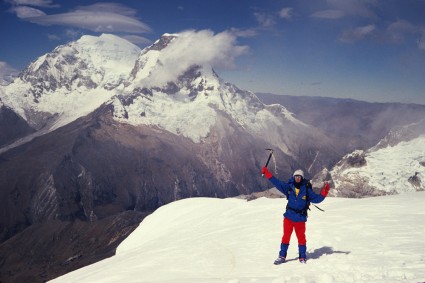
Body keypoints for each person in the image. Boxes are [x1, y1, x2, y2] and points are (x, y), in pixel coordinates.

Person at [261, 167, 330, 264]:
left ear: (302, 178)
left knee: (301, 238)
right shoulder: (289, 187)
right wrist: (267, 173)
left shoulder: (306, 190)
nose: (297, 178)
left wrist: (324, 192)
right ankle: (282, 256)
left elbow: (317, 199)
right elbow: (277, 182)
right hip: (288, 217)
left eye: (299, 177)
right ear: (293, 177)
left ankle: (302, 257)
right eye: (296, 176)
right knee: (286, 237)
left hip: (300, 219)